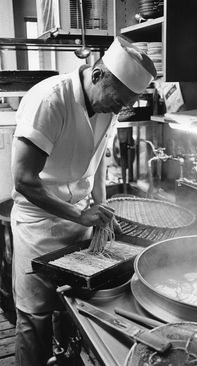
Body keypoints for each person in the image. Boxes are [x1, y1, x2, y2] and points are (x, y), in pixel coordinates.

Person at [11, 35, 157, 366]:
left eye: (127, 104)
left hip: (80, 219)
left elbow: (99, 163)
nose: (120, 109)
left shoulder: (109, 106)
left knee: (70, 309)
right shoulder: (51, 100)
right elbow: (23, 180)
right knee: (35, 318)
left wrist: (102, 215)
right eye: (119, 100)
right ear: (97, 75)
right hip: (39, 224)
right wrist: (82, 217)